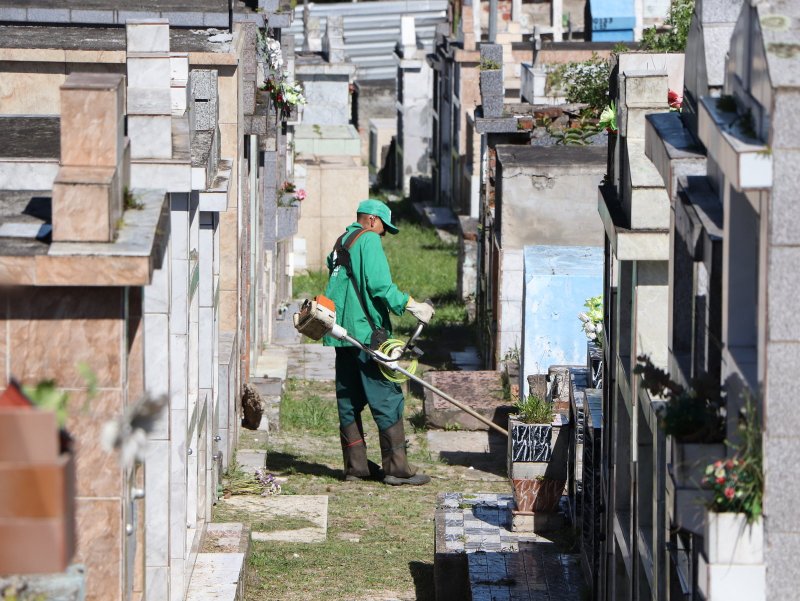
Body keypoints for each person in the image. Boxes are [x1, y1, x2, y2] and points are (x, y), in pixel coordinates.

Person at [323, 199, 435, 486]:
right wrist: (412, 305)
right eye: (384, 227)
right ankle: (397, 470)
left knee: (349, 401)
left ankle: (355, 468)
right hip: (367, 337)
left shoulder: (341, 242)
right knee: (387, 398)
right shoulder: (368, 239)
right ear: (372, 220)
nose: (383, 234)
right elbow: (379, 285)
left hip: (341, 334)